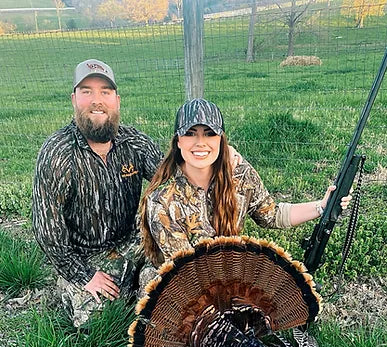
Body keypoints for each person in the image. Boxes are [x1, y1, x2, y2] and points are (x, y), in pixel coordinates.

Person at [32, 60, 242, 328]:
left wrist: (218, 156)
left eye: (105, 92)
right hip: (86, 257)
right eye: (87, 91)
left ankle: (148, 280)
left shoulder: (134, 142)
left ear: (117, 100)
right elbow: (47, 231)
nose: (97, 100)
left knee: (176, 275)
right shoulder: (57, 153)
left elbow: (178, 175)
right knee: (96, 321)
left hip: (135, 240)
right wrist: (83, 275)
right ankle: (75, 287)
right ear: (74, 99)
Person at [139, 98, 352, 279]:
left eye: (210, 133)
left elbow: (271, 215)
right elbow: (186, 272)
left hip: (224, 270)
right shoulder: (162, 200)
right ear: (178, 141)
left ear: (221, 140)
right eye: (191, 133)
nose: (200, 142)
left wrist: (322, 207)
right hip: (177, 281)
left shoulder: (240, 173)